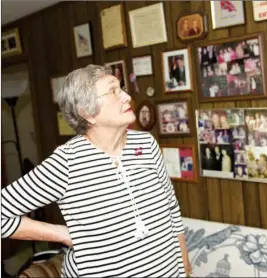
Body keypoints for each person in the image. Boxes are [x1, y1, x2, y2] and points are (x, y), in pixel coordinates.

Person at [1, 65, 192, 277]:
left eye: (122, 88)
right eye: (113, 91)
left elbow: (172, 209)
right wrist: (62, 233)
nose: (127, 97)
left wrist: (184, 267)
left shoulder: (146, 144)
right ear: (87, 112)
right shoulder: (67, 163)